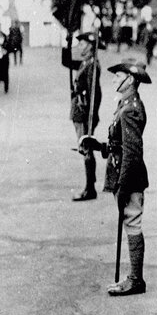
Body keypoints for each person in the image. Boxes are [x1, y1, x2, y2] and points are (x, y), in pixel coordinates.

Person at [78, 58, 151, 296]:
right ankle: (134, 278)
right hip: (123, 172)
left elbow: (132, 152)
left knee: (132, 222)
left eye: (118, 76)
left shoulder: (130, 109)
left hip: (128, 176)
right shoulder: (125, 104)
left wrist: (123, 186)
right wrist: (97, 145)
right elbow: (118, 145)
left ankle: (135, 279)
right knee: (131, 222)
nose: (113, 79)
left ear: (130, 79)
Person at [62, 31, 103, 201]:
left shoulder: (92, 65)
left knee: (86, 148)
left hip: (84, 112)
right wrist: (67, 44)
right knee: (85, 148)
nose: (80, 46)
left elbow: (95, 93)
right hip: (80, 110)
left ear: (90, 46)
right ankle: (89, 186)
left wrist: (91, 115)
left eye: (82, 43)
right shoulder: (85, 62)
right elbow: (66, 62)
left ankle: (90, 188)